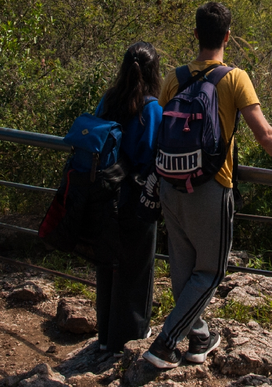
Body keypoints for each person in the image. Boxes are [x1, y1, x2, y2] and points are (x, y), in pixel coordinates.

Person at [144, 2, 272, 369]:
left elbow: (160, 128)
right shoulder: (234, 77)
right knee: (210, 271)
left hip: (170, 184)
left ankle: (199, 337)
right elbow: (265, 133)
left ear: (195, 35)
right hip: (211, 187)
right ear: (228, 36)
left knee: (182, 266)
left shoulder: (175, 77)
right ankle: (164, 343)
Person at [94, 41, 164, 354]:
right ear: (154, 71)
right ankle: (132, 335)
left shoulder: (108, 100)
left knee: (108, 266)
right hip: (135, 199)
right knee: (136, 268)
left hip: (103, 194)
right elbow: (151, 154)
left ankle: (106, 336)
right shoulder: (151, 108)